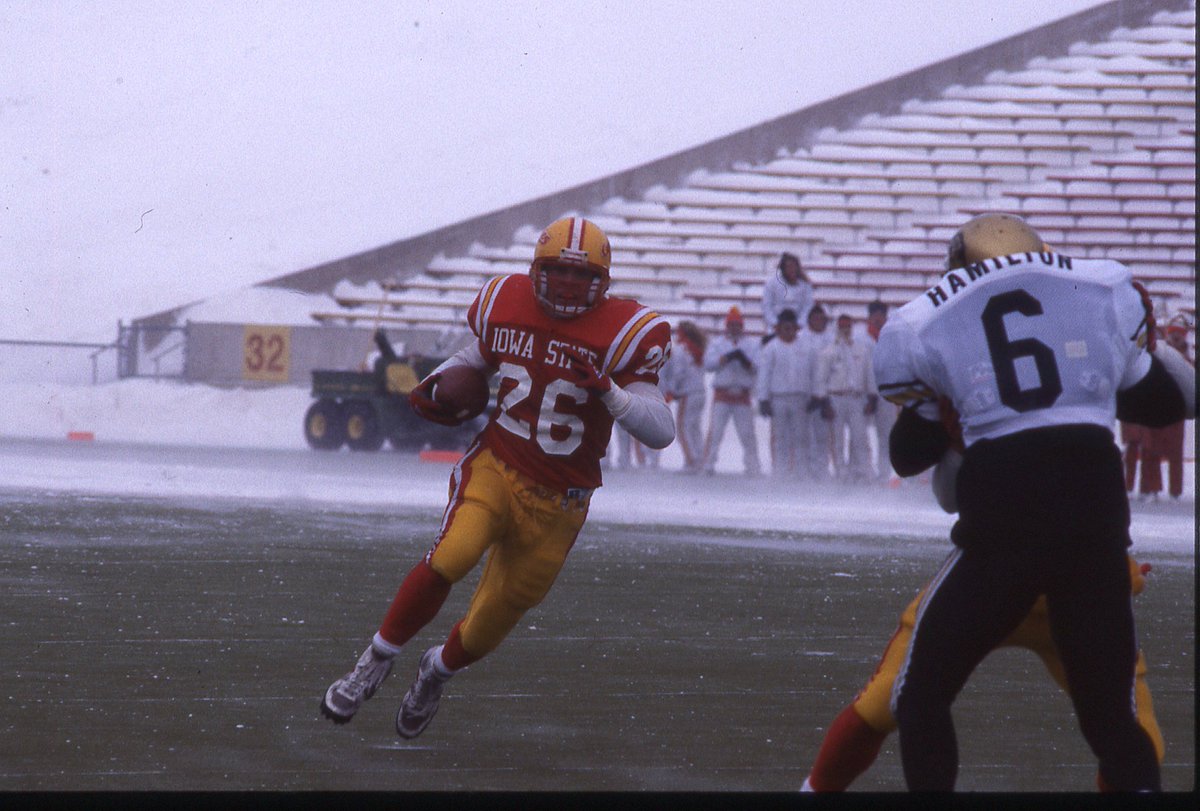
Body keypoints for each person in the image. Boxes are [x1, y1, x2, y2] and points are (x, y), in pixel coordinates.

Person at [872, 212, 1194, 791]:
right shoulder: (1097, 295)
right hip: (1095, 519)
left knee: (920, 698)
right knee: (1113, 724)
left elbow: (906, 457)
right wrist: (1149, 340)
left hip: (1006, 521)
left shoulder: (928, 322)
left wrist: (946, 425)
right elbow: (1174, 403)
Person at [320, 217, 674, 738]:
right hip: (498, 464)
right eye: (558, 274)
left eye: (583, 278)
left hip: (562, 499)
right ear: (536, 271)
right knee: (452, 555)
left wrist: (609, 393)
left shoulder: (625, 334)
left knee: (489, 626)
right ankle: (373, 661)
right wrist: (439, 382)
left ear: (604, 281)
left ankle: (434, 672)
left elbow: (661, 430)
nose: (570, 287)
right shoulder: (505, 300)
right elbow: (478, 359)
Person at [803, 438, 1166, 791]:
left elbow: (941, 486)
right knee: (883, 706)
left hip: (1000, 577)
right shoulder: (1066, 389)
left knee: (1134, 738)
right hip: (1025, 578)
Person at [814, 313, 875, 482]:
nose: (845, 330)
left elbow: (869, 375)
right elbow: (821, 379)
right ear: (837, 328)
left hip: (856, 398)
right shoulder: (828, 352)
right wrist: (824, 402)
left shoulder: (861, 350)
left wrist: (872, 397)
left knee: (860, 436)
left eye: (848, 326)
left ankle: (862, 470)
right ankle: (841, 472)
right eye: (842, 327)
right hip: (836, 397)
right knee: (837, 438)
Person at [702, 307, 761, 475]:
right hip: (723, 393)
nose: (735, 328)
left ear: (742, 326)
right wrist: (725, 358)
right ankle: (709, 463)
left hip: (742, 394)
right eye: (732, 325)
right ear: (727, 326)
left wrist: (744, 360)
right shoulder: (717, 343)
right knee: (716, 432)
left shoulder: (751, 344)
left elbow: (757, 367)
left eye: (737, 325)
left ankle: (753, 465)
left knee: (747, 433)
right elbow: (708, 365)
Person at [754, 308, 812, 478]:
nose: (788, 330)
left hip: (799, 398)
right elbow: (764, 375)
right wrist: (763, 399)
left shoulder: (805, 347)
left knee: (800, 437)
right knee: (780, 437)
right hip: (778, 398)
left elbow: (811, 373)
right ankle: (780, 471)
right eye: (785, 327)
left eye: (791, 327)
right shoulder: (771, 348)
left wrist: (813, 395)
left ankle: (801, 472)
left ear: (796, 328)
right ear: (778, 328)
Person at [1142, 318, 1191, 501]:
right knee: (1152, 449)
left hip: (1176, 409)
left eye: (1180, 332)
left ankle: (1175, 491)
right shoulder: (1158, 352)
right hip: (1155, 406)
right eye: (1173, 332)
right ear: (1168, 334)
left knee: (1175, 451)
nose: (1176, 335)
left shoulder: (1188, 356)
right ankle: (1153, 488)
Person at [660, 320, 708, 473]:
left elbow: (679, 373)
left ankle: (691, 460)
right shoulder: (698, 347)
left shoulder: (681, 349)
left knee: (683, 427)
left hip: (688, 393)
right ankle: (700, 458)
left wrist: (671, 391)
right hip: (700, 391)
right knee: (694, 427)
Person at [864, 300, 899, 482]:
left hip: (886, 393)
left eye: (881, 315)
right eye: (874, 315)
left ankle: (884, 472)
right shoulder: (860, 338)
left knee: (886, 434)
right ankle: (864, 471)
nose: (878, 319)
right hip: (863, 393)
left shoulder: (892, 337)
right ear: (869, 317)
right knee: (860, 434)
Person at [799, 305, 835, 480]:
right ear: (809, 320)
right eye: (815, 318)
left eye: (822, 319)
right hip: (805, 394)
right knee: (804, 435)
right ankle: (805, 469)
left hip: (826, 395)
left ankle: (822, 469)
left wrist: (824, 395)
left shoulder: (832, 339)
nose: (818, 322)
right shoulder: (800, 338)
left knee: (822, 435)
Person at [762, 252, 814, 343]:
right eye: (789, 267)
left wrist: (800, 324)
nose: (792, 269)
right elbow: (766, 305)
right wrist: (775, 324)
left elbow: (808, 306)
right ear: (783, 268)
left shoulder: (805, 285)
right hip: (777, 323)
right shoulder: (772, 283)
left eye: (794, 266)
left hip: (798, 324)